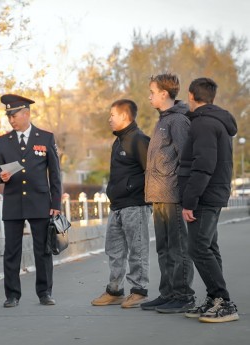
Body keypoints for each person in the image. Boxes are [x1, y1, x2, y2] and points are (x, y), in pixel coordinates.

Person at [0, 94, 62, 307]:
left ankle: (45, 293)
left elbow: (55, 175)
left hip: (40, 202)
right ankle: (12, 295)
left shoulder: (45, 138)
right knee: (12, 251)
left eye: (14, 115)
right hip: (13, 203)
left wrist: (55, 205)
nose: (11, 120)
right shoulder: (3, 141)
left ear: (26, 114)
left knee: (43, 250)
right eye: (8, 116)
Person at [179, 78, 239, 323]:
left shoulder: (203, 124)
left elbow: (203, 165)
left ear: (192, 95)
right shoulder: (217, 122)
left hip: (204, 195)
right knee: (209, 246)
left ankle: (223, 301)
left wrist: (189, 201)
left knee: (198, 248)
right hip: (213, 192)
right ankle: (214, 298)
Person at [140, 73, 195, 313]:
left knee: (178, 247)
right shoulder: (163, 119)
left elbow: (186, 158)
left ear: (164, 93)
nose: (149, 96)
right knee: (163, 247)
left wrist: (186, 196)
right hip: (158, 195)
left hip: (172, 194)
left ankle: (183, 295)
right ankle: (168, 293)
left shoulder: (178, 121)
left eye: (152, 91)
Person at [91, 99, 152, 308]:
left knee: (138, 250)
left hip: (135, 205)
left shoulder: (139, 140)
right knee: (114, 250)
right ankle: (115, 290)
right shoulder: (117, 142)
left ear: (125, 116)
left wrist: (132, 189)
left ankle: (139, 291)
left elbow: (151, 173)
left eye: (112, 115)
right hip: (117, 206)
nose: (109, 119)